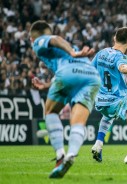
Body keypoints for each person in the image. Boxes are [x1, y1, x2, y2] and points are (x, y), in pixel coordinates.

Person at [30, 20, 101, 178]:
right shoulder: (66, 52)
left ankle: (61, 156)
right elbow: (68, 72)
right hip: (91, 76)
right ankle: (72, 154)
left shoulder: (39, 41)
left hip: (70, 73)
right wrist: (46, 85)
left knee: (50, 111)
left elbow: (56, 39)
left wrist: (72, 52)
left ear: (31, 38)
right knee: (78, 122)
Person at [91, 27, 127, 164]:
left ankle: (98, 144)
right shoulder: (121, 57)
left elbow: (90, 70)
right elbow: (122, 67)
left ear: (114, 38)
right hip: (116, 100)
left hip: (100, 100)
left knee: (108, 116)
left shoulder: (101, 53)